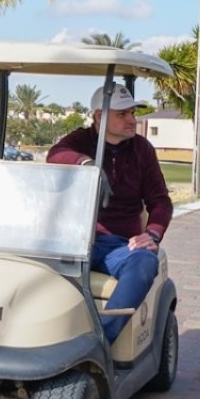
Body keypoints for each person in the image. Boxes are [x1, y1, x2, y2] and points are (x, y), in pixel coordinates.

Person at [47, 86, 172, 342]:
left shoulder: (142, 149)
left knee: (146, 262)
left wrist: (153, 233)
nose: (131, 120)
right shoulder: (81, 140)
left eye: (132, 113)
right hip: (76, 240)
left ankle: (101, 340)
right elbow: (56, 155)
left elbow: (160, 201)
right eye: (122, 114)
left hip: (119, 245)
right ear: (99, 117)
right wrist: (87, 164)